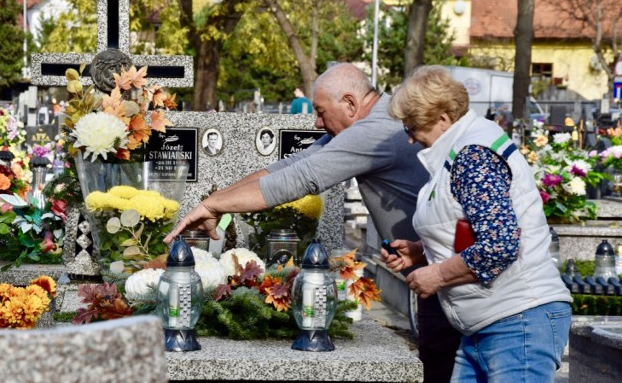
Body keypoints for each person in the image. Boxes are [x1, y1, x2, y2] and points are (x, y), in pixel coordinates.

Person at [164, 63, 459, 382]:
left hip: (451, 272)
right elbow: (293, 164)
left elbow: (302, 179)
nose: (317, 122)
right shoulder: (371, 121)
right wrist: (215, 202)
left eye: (320, 111)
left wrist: (214, 204)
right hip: (432, 268)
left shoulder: (377, 130)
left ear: (349, 103)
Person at [385, 65, 572, 381]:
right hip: (490, 322)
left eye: (412, 126)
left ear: (443, 119)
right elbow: (470, 223)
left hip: (517, 321)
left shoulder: (474, 155)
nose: (409, 139)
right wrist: (421, 251)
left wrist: (438, 275)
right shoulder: (459, 152)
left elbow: (500, 245)